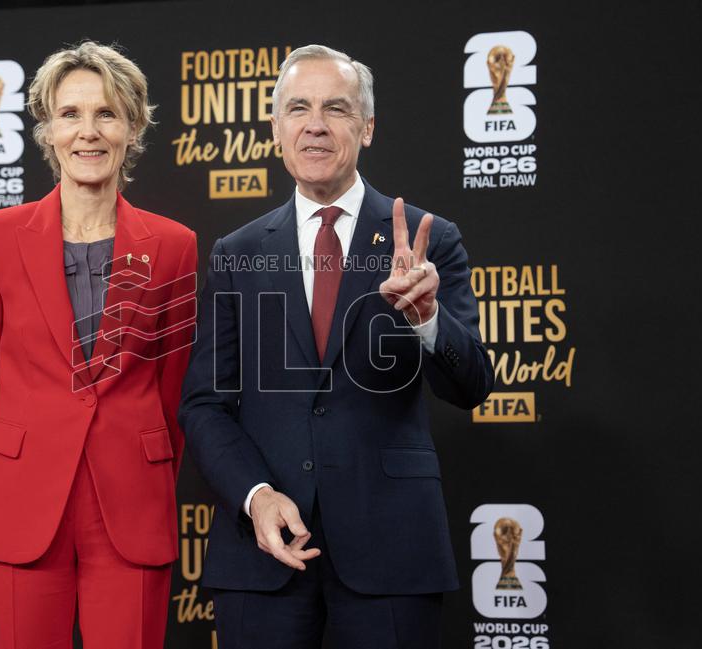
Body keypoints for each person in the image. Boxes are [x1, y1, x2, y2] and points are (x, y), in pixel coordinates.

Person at [179, 44, 494, 648]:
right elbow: (204, 404)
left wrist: (428, 319)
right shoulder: (236, 253)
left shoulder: (430, 241)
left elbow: (473, 385)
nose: (316, 123)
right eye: (298, 108)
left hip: (393, 552)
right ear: (275, 131)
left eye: (337, 108)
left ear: (367, 126)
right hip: (263, 553)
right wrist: (255, 495)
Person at [0, 41, 197, 649]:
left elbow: (176, 396)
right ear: (47, 130)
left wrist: (148, 483)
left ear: (133, 127)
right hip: (17, 512)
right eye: (70, 114)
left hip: (129, 515)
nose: (89, 132)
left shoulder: (174, 245)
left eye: (106, 114)